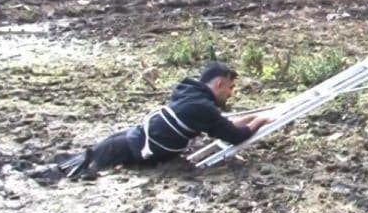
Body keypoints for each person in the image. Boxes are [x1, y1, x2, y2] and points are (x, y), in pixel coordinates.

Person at [61, 61, 272, 178]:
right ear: (219, 84)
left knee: (85, 159)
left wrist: (252, 116)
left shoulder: (189, 91)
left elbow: (223, 125)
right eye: (230, 87)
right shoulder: (203, 107)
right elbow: (235, 136)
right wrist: (261, 120)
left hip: (133, 137)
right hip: (138, 148)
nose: (231, 93)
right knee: (84, 168)